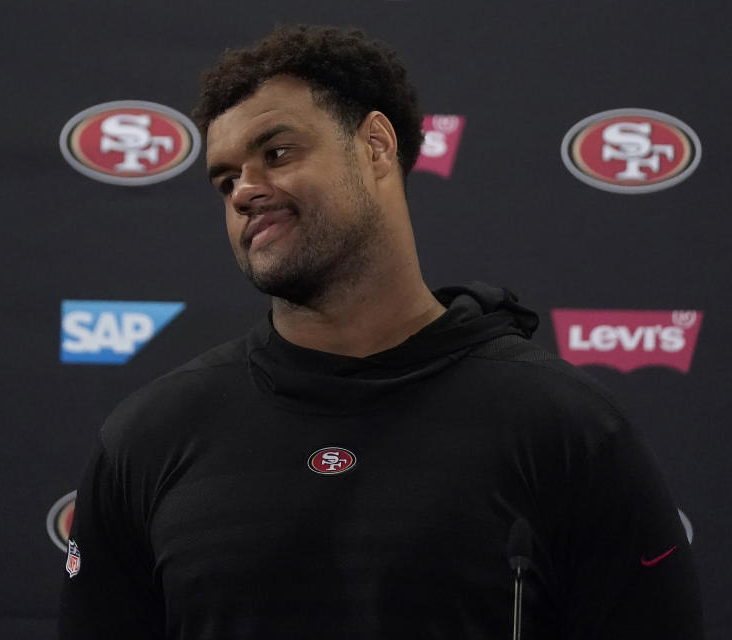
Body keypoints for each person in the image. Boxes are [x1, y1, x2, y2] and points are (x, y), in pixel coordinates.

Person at [59, 25, 703, 639]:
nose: (244, 192)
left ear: (375, 146)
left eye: (276, 153)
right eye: (225, 180)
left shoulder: (568, 428)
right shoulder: (148, 437)